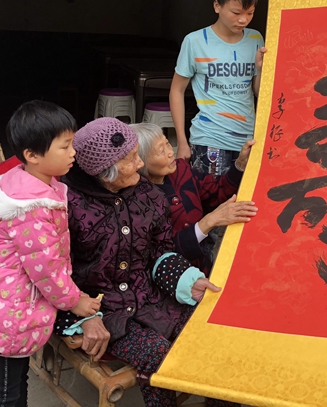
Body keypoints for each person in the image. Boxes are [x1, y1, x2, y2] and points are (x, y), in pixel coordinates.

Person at [60, 118, 235, 407]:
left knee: (210, 336)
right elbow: (51, 273)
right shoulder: (67, 206)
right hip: (104, 313)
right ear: (106, 172)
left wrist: (187, 280)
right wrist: (86, 317)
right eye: (130, 161)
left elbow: (160, 251)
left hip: (152, 299)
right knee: (158, 355)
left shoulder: (148, 195)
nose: (140, 165)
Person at [0, 101, 101, 407]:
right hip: (9, 314)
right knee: (4, 395)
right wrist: (74, 300)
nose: (73, 153)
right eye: (65, 146)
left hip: (9, 305)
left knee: (14, 384)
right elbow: (46, 269)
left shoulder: (31, 185)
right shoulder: (30, 209)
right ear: (32, 155)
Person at [169, 0, 266, 177]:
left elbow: (258, 92)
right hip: (209, 139)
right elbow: (176, 91)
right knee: (212, 203)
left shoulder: (255, 38)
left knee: (240, 204)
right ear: (217, 6)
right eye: (236, 12)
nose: (243, 20)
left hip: (248, 140)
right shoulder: (195, 42)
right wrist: (182, 142)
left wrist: (260, 69)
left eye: (250, 13)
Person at [130, 122, 258, 274]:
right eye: (160, 151)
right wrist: (209, 221)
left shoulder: (181, 170)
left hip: (202, 270)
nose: (171, 152)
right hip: (171, 282)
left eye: (168, 144)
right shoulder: (138, 199)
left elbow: (217, 191)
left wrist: (239, 165)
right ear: (140, 162)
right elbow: (162, 252)